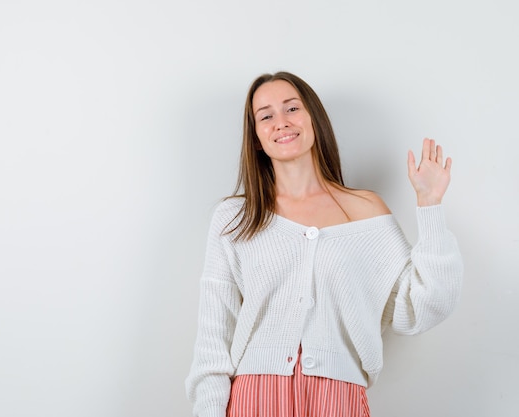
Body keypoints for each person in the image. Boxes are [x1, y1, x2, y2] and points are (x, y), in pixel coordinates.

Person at [185, 71, 463, 417]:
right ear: (256, 137)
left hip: (339, 399)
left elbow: (422, 308)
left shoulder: (366, 212)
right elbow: (214, 337)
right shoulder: (236, 217)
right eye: (266, 116)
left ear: (314, 119)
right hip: (254, 398)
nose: (281, 123)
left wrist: (429, 204)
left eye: (292, 109)